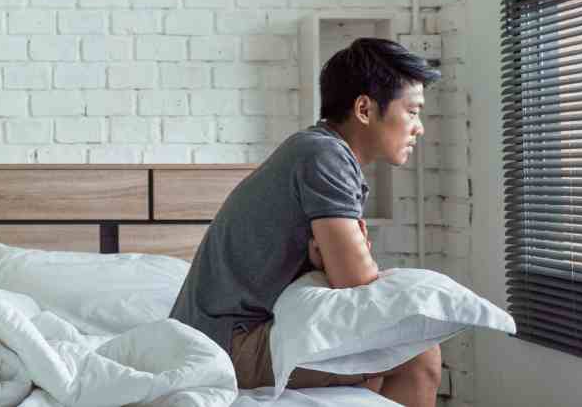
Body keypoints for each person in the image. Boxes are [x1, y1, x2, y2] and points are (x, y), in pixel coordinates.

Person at [169, 38, 444, 406]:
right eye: (412, 111)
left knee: (378, 356)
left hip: (219, 333)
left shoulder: (317, 149)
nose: (419, 127)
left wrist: (331, 261)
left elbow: (345, 280)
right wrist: (341, 262)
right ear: (364, 108)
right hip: (221, 344)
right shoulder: (325, 156)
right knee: (417, 352)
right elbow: (356, 284)